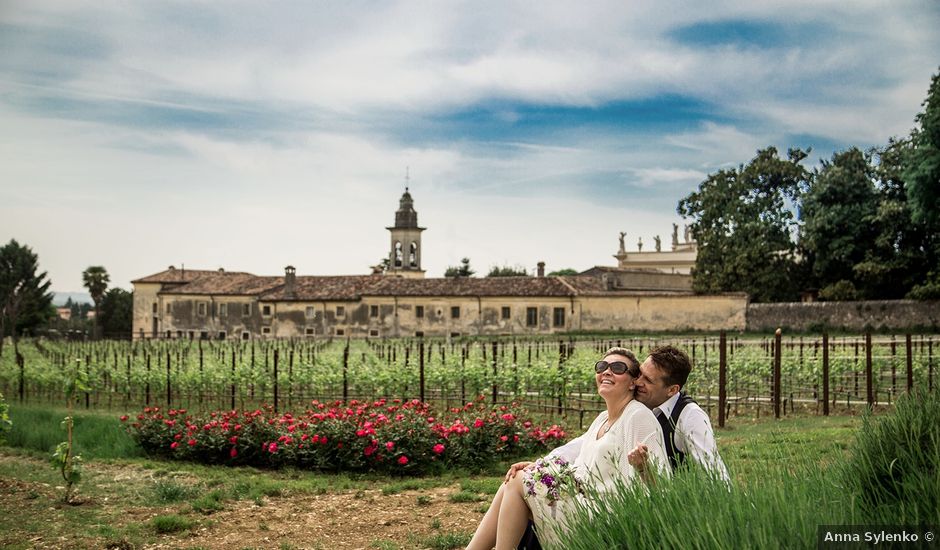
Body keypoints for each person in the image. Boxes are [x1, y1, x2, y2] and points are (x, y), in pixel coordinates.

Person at [466, 348, 669, 550]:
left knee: (519, 481)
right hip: (580, 502)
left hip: (604, 519)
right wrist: (538, 468)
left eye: (617, 367)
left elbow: (662, 486)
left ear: (633, 381)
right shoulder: (602, 419)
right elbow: (577, 464)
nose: (607, 371)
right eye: (602, 366)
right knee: (515, 478)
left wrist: (643, 468)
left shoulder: (638, 417)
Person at [544, 344, 728, 481]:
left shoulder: (690, 416)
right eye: (639, 374)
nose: (637, 382)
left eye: (647, 380)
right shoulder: (637, 405)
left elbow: (712, 471)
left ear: (672, 390)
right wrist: (544, 465)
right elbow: (587, 442)